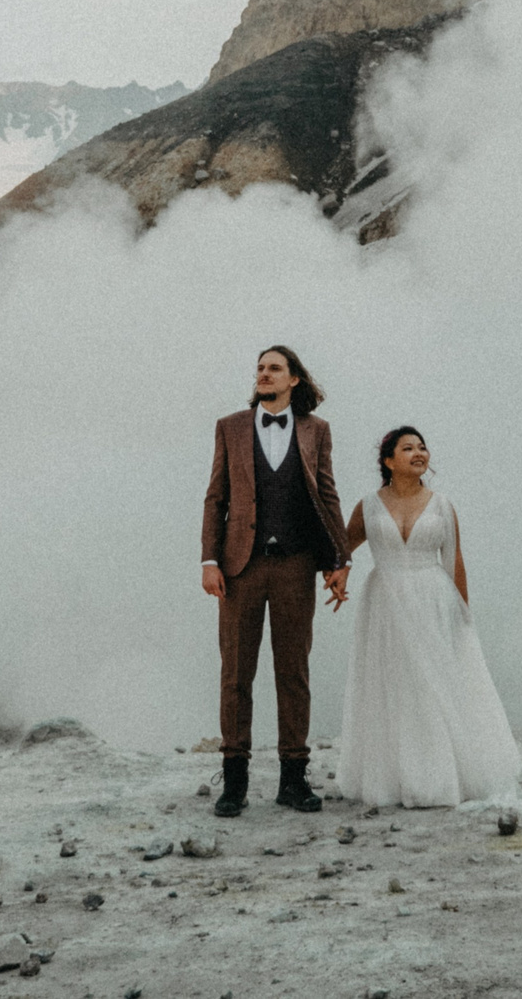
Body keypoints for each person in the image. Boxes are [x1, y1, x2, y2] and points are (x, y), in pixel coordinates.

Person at [333, 427, 522, 810]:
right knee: (394, 685)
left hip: (433, 598)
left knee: (435, 683)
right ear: (388, 460)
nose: (419, 453)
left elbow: (455, 561)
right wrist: (340, 571)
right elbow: (342, 546)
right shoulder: (368, 505)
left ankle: (441, 776)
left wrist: (463, 617)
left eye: (422, 447)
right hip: (384, 599)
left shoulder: (441, 504)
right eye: (408, 448)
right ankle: (394, 778)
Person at [200, 345, 349, 816]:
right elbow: (215, 498)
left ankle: (292, 778)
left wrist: (339, 558)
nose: (263, 374)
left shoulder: (316, 431)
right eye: (260, 368)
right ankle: (235, 783)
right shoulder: (230, 426)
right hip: (239, 566)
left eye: (274, 369)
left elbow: (327, 494)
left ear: (294, 380)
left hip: (295, 565)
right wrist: (208, 560)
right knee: (236, 673)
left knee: (293, 671)